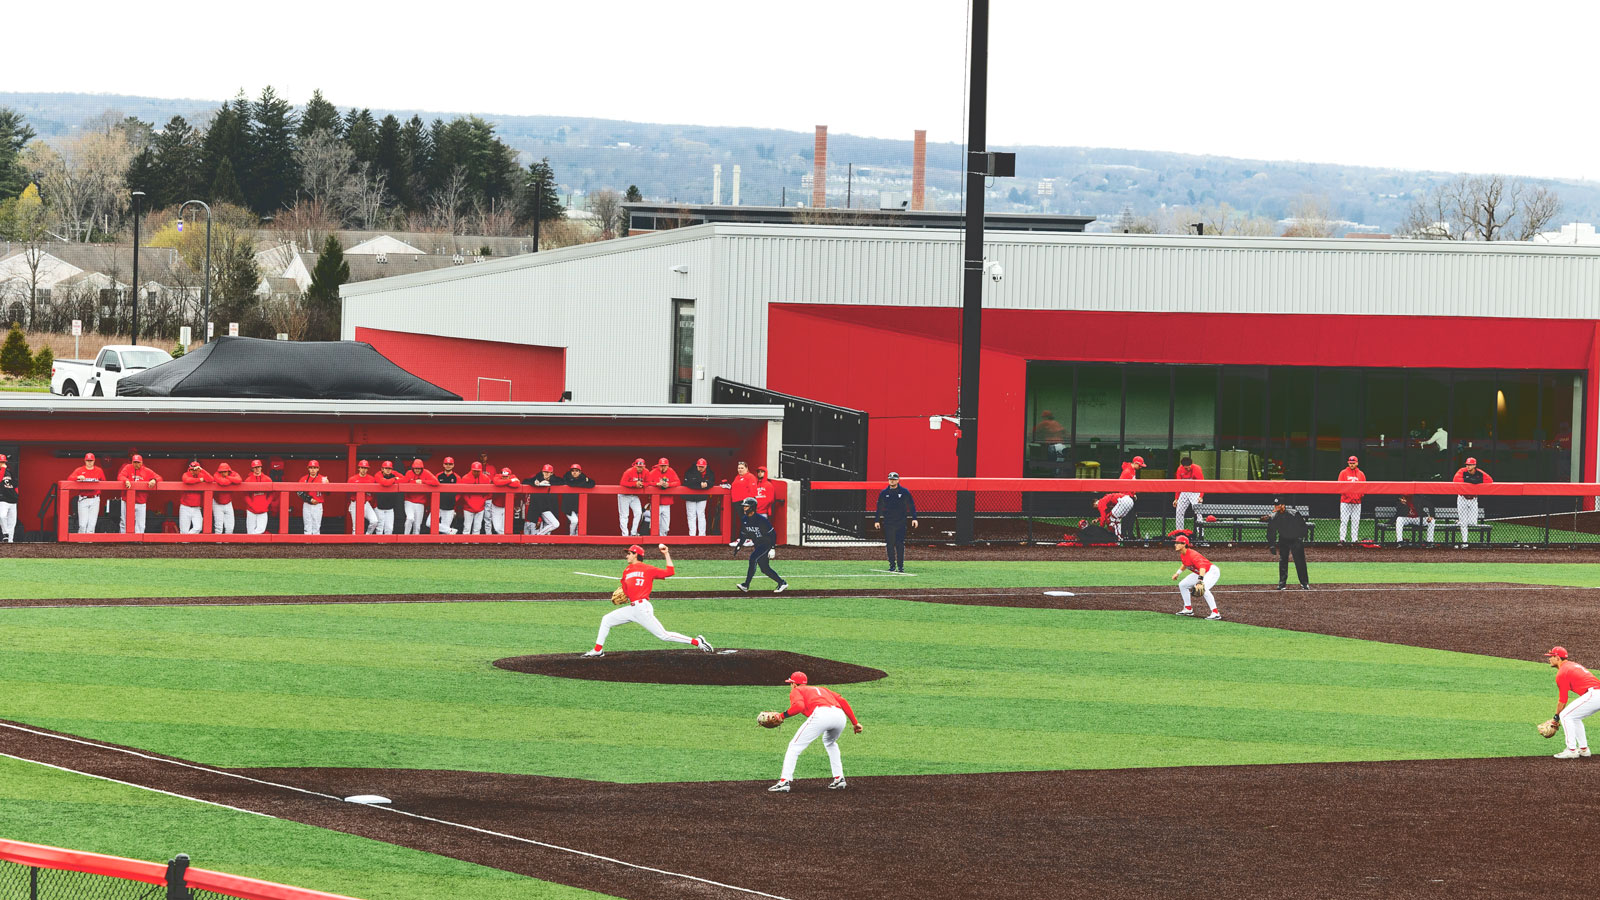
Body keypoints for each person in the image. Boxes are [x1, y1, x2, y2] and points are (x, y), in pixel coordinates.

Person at [582, 543, 714, 658]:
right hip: (632, 608)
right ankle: (598, 650)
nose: (626, 555)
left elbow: (670, 571)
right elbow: (625, 591)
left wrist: (666, 553)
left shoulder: (648, 569)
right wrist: (624, 596)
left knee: (663, 635)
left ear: (636, 554)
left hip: (642, 608)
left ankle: (698, 642)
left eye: (628, 553)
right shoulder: (626, 570)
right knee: (606, 620)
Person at [764, 671, 862, 793]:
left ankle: (784, 781)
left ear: (794, 684)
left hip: (822, 714)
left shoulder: (797, 690)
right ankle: (839, 778)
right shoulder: (822, 689)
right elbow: (842, 701)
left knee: (794, 746)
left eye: (791, 683)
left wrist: (781, 716)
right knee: (830, 742)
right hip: (840, 716)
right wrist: (855, 722)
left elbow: (799, 706)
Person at [1546, 646, 1600, 759]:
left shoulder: (1562, 673)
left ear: (1557, 657)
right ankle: (1584, 749)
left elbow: (1563, 700)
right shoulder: (1572, 665)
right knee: (1574, 717)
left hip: (1594, 694)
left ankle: (1571, 750)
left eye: (1551, 657)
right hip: (1596, 693)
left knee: (1565, 715)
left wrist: (1556, 718)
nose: (1549, 659)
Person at [735, 497, 788, 593]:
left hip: (766, 543)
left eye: (746, 506)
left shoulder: (761, 520)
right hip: (758, 544)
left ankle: (746, 585)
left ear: (752, 507)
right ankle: (782, 583)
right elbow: (743, 534)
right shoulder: (744, 519)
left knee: (753, 558)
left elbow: (773, 534)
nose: (744, 508)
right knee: (764, 568)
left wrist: (772, 548)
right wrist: (739, 545)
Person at [874, 471, 918, 573]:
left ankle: (901, 566)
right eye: (890, 479)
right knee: (890, 544)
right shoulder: (884, 493)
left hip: (901, 522)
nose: (892, 481)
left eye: (894, 479)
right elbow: (879, 507)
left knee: (900, 544)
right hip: (888, 522)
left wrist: (914, 518)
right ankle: (892, 565)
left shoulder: (904, 492)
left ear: (898, 480)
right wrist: (877, 520)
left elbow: (911, 505)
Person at [1170, 534, 1221, 619]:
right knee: (1183, 585)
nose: (1175, 544)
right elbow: (1185, 564)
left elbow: (1202, 567)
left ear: (1184, 544)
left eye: (1177, 543)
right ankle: (1188, 609)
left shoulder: (1193, 554)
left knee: (1203, 588)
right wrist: (1177, 573)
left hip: (1211, 572)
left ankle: (1215, 613)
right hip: (1201, 572)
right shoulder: (1183, 554)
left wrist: (1200, 580)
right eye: (1175, 543)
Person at [1264, 500, 1310, 590]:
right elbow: (1271, 532)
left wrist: (1302, 537)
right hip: (1284, 540)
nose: (1276, 506)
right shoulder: (1275, 517)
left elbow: (1303, 526)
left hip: (1295, 539)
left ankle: (1304, 583)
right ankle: (1282, 584)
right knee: (1283, 561)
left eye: (1277, 505)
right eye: (1275, 505)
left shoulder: (1294, 513)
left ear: (1283, 505)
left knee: (1300, 561)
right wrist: (1272, 545)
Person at [1452, 458, 1493, 548]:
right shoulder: (1462, 471)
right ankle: (1465, 542)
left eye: (1470, 464)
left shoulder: (1479, 472)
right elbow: (1456, 480)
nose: (1468, 466)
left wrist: (1469, 481)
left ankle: (1459, 521)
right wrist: (1475, 482)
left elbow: (1490, 480)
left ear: (1474, 465)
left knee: (1473, 522)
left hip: (1473, 499)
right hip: (1462, 498)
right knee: (1464, 523)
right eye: (1467, 464)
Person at [116, 454, 161, 534]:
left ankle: (138, 541)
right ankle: (123, 540)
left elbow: (159, 477)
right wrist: (126, 480)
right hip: (127, 500)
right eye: (135, 462)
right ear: (132, 462)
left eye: (138, 462)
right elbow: (120, 476)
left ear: (141, 462)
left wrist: (154, 480)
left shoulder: (146, 470)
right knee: (124, 521)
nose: (136, 464)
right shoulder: (128, 467)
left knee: (140, 523)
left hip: (140, 501)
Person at [399, 459, 439, 535]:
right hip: (409, 501)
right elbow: (403, 482)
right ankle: (405, 537)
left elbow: (436, 482)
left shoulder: (426, 473)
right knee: (410, 518)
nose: (417, 470)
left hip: (420, 502)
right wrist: (414, 482)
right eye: (415, 468)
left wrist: (423, 481)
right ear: (413, 468)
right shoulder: (409, 473)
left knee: (417, 525)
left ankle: (415, 541)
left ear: (422, 468)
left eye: (419, 468)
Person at [69, 452, 106, 534]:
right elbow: (70, 479)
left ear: (94, 461)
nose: (89, 462)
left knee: (92, 525)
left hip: (95, 498)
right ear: (85, 460)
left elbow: (104, 483)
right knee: (82, 524)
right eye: (88, 460)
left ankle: (89, 544)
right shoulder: (80, 470)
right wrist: (78, 477)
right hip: (83, 498)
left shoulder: (99, 470)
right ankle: (81, 543)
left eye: (91, 460)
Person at [647, 457, 682, 535]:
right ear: (658, 465)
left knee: (665, 526)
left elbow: (678, 482)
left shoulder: (671, 471)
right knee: (655, 524)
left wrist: (669, 485)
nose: (663, 467)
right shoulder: (653, 471)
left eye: (665, 465)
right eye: (661, 465)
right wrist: (656, 484)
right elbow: (647, 482)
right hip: (656, 503)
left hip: (667, 502)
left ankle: (663, 541)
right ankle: (654, 541)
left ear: (668, 465)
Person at [177, 460, 213, 534]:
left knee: (198, 527)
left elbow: (211, 479)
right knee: (184, 531)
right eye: (191, 469)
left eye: (195, 469)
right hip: (185, 507)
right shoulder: (186, 474)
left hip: (196, 508)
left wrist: (202, 470)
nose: (193, 471)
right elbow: (186, 480)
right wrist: (199, 480)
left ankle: (186, 540)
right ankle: (185, 542)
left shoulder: (201, 474)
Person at [457, 460, 494, 534]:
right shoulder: (465, 478)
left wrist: (482, 501)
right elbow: (462, 494)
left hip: (480, 507)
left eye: (478, 471)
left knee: (477, 528)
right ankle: (465, 543)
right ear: (471, 470)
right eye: (474, 471)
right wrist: (469, 503)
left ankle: (475, 543)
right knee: (467, 527)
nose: (476, 472)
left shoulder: (485, 478)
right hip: (468, 507)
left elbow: (489, 493)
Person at [558, 463, 595, 535]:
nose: (574, 472)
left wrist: (585, 481)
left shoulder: (583, 478)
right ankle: (571, 537)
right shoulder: (566, 478)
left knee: (580, 523)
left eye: (576, 470)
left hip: (578, 506)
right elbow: (571, 483)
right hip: (568, 507)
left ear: (580, 472)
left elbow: (592, 483)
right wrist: (583, 483)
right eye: (573, 470)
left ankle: (578, 540)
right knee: (574, 521)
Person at [681, 458, 715, 537]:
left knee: (701, 515)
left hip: (702, 497)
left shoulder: (709, 472)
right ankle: (692, 536)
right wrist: (700, 484)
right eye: (699, 466)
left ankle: (702, 536)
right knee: (691, 515)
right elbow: (688, 483)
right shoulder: (690, 471)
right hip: (690, 497)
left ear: (705, 466)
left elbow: (712, 481)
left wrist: (707, 483)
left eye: (702, 467)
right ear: (696, 466)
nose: (700, 468)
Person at [1337, 456, 1366, 544]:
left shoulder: (1361, 474)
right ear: (1348, 463)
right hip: (1345, 502)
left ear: (1357, 463)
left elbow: (1364, 488)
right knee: (1344, 521)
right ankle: (1342, 539)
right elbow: (1340, 486)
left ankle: (1354, 540)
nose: (1352, 464)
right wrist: (1349, 497)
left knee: (1355, 521)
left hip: (1357, 502)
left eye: (1353, 463)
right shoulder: (1343, 473)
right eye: (1350, 463)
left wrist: (1358, 497)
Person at [242, 460, 275, 535]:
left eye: (259, 467)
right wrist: (252, 505)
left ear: (261, 468)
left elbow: (272, 494)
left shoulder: (267, 479)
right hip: (251, 510)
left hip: (263, 509)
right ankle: (250, 543)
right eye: (255, 467)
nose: (257, 469)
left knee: (261, 529)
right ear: (252, 468)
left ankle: (249, 539)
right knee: (250, 531)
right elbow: (245, 495)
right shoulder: (248, 480)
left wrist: (266, 504)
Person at [1172, 455, 1205, 532]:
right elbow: (1178, 485)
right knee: (1179, 511)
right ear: (1183, 466)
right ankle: (1179, 532)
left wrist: (1201, 496)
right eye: (1186, 468)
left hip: (1195, 491)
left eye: (1189, 467)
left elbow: (1202, 484)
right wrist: (1176, 498)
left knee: (1198, 512)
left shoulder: (1196, 469)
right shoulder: (1180, 470)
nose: (1188, 469)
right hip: (1184, 491)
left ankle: (1201, 534)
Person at [526, 464, 561, 535]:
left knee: (553, 527)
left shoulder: (555, 479)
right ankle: (538, 536)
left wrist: (549, 481)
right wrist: (536, 483)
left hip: (549, 508)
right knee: (555, 524)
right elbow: (526, 481)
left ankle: (538, 537)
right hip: (539, 508)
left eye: (548, 472)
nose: (546, 474)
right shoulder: (538, 477)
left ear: (551, 473)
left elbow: (562, 481)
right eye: (545, 472)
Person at [728, 461, 757, 547]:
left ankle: (749, 538)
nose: (740, 470)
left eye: (742, 468)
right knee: (743, 520)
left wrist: (749, 503)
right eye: (739, 468)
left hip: (745, 502)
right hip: (737, 502)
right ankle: (743, 538)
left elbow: (753, 490)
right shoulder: (737, 477)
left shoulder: (750, 477)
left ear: (746, 469)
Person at [370, 461, 401, 535]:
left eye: (389, 468)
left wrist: (394, 477)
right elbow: (385, 483)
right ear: (382, 469)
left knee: (389, 528)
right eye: (386, 468)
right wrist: (394, 479)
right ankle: (379, 544)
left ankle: (387, 545)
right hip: (379, 506)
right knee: (379, 528)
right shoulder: (378, 474)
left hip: (390, 507)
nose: (388, 470)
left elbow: (404, 479)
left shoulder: (394, 473)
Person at [298, 460, 330, 535]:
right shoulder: (303, 479)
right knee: (307, 525)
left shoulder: (323, 479)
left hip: (318, 505)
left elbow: (328, 493)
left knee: (316, 526)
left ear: (318, 468)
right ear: (308, 468)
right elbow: (299, 492)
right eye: (311, 467)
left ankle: (316, 544)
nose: (313, 470)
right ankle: (307, 543)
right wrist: (310, 499)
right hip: (307, 504)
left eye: (315, 468)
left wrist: (327, 485)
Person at [619, 457, 649, 536]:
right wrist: (634, 484)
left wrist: (642, 485)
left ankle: (633, 533)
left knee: (638, 513)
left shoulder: (646, 472)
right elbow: (622, 483)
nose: (640, 468)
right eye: (638, 467)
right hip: (624, 495)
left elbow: (648, 482)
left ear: (644, 466)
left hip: (634, 495)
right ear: (635, 466)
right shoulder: (629, 471)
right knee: (624, 515)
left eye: (641, 467)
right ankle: (625, 535)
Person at [347, 460, 379, 534]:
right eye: (362, 467)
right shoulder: (352, 479)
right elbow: (348, 493)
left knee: (374, 521)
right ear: (359, 468)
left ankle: (367, 536)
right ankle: (354, 544)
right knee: (355, 527)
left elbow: (374, 493)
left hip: (366, 503)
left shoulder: (371, 479)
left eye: (365, 468)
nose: (363, 469)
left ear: (367, 469)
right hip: (355, 503)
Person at [211, 463, 241, 534]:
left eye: (225, 471)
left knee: (230, 526)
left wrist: (227, 477)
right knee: (219, 526)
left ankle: (227, 543)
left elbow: (239, 480)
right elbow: (223, 482)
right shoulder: (216, 474)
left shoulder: (233, 473)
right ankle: (218, 543)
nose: (223, 473)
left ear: (229, 471)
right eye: (221, 472)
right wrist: (231, 480)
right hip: (217, 503)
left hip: (228, 503)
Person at [491, 467, 521, 533]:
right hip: (496, 506)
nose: (504, 478)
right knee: (497, 528)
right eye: (503, 476)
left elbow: (517, 484)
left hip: (507, 507)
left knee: (506, 527)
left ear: (510, 475)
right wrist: (510, 481)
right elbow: (497, 482)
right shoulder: (497, 476)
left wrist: (505, 482)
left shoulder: (513, 476)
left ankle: (502, 542)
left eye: (506, 477)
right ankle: (503, 540)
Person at [477, 452, 501, 534]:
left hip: (489, 496)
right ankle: (476, 536)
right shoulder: (476, 467)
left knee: (488, 517)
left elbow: (495, 481)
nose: (483, 458)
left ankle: (488, 535)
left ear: (487, 457)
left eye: (485, 456)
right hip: (478, 497)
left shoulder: (491, 468)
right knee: (478, 518)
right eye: (481, 456)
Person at [435, 457, 460, 534]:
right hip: (438, 505)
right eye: (446, 464)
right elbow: (434, 489)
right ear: (443, 465)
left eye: (450, 464)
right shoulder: (438, 476)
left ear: (453, 465)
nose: (448, 465)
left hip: (450, 507)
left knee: (445, 527)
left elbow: (459, 492)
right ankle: (451, 531)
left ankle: (443, 543)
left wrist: (454, 500)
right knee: (429, 523)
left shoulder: (457, 477)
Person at [0, 454, 16, 541]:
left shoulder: (9, 471)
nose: (2, 464)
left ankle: (10, 541)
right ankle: (5, 533)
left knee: (12, 522)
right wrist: (2, 468)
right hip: (3, 499)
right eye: (1, 462)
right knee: (2, 516)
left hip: (12, 499)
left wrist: (16, 494)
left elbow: (15, 483)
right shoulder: (2, 470)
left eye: (3, 462)